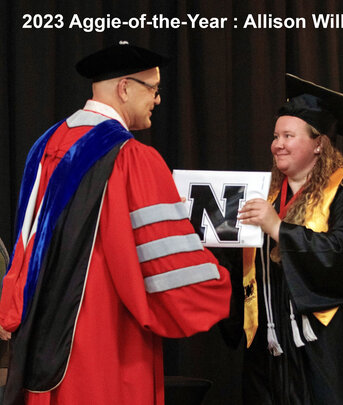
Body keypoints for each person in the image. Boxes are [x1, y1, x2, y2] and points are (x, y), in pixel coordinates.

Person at [0, 42, 232, 404]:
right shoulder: (132, 157)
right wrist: (217, 284)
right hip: (106, 338)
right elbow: (167, 265)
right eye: (152, 89)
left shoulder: (46, 145)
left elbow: (27, 244)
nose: (157, 99)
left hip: (42, 338)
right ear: (125, 88)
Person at [228, 74, 343, 404]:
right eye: (275, 136)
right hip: (271, 343)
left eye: (288, 135)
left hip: (326, 344)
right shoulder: (265, 197)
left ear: (319, 143)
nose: (277, 144)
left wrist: (280, 229)